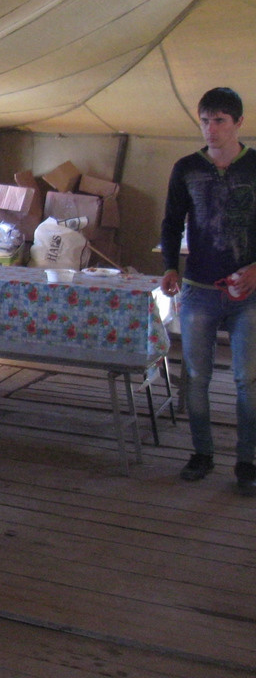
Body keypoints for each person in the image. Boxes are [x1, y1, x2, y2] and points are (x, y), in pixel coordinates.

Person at [160, 86, 256, 497]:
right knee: (195, 377)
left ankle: (247, 460)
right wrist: (168, 265)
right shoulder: (186, 168)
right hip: (198, 288)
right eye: (204, 120)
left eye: (219, 120)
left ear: (238, 123)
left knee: (247, 379)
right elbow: (170, 222)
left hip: (248, 292)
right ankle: (202, 453)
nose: (210, 129)